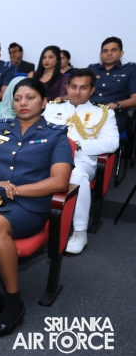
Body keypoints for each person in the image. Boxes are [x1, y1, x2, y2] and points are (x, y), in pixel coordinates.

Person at [0, 78, 73, 337]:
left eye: (30, 98)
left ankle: (14, 302)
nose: (23, 103)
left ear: (44, 103)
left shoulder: (55, 135)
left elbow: (60, 181)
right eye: (18, 98)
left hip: (30, 206)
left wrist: (15, 190)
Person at [44, 69, 119, 254]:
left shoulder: (103, 113)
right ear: (67, 87)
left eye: (83, 88)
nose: (77, 92)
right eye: (73, 86)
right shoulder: (51, 108)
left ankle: (79, 232)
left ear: (92, 90)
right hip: (49, 157)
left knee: (76, 175)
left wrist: (78, 145)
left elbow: (112, 142)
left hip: (82, 159)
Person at [88, 36, 136, 133]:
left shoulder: (130, 70)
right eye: (105, 51)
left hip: (114, 114)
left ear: (121, 53)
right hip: (89, 112)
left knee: (96, 132)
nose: (109, 53)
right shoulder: (92, 69)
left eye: (113, 50)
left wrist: (116, 105)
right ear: (101, 54)